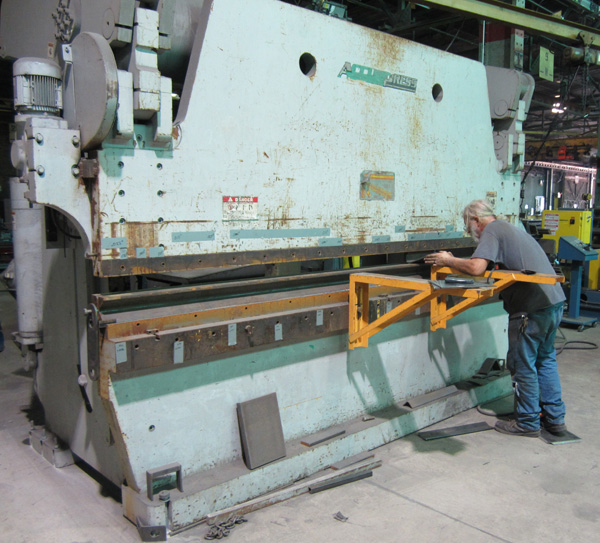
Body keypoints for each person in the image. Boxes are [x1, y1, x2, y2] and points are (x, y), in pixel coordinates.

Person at [424, 199, 566, 437]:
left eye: (469, 227)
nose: (472, 233)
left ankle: (528, 422)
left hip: (530, 309)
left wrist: (447, 260)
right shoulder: (509, 228)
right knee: (545, 360)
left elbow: (477, 268)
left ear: (476, 220)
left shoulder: (492, 229)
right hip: (553, 303)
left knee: (524, 365)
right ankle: (555, 419)